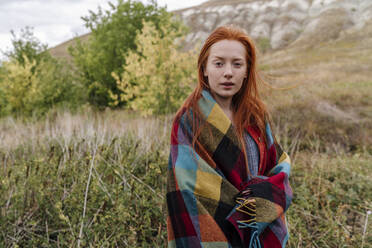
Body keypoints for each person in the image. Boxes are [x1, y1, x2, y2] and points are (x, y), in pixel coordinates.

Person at [166, 25, 293, 248]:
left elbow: (277, 163)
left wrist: (260, 201)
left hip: (257, 231)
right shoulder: (189, 120)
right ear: (204, 68)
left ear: (246, 70)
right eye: (218, 63)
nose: (228, 72)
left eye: (237, 64)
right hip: (210, 229)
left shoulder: (256, 115)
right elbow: (187, 191)